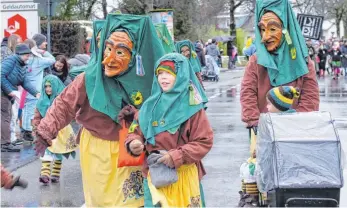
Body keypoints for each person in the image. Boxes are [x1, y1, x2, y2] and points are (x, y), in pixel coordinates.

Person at [33, 14, 165, 207]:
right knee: (101, 200)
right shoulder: (90, 78)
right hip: (97, 148)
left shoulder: (147, 81)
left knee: (132, 201)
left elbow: (163, 111)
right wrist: (45, 131)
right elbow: (64, 104)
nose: (109, 59)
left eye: (120, 52)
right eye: (108, 49)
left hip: (130, 144)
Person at [240, 0, 319, 204]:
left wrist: (297, 124)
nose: (266, 36)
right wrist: (255, 123)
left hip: (296, 132)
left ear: (285, 30)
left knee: (293, 179)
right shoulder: (256, 61)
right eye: (262, 30)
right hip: (262, 130)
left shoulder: (302, 60)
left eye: (273, 29)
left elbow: (310, 96)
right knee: (259, 178)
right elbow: (247, 93)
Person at [126, 53, 213, 207]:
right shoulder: (149, 106)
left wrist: (176, 155)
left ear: (181, 76)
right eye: (160, 73)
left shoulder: (192, 108)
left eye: (169, 73)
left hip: (183, 177)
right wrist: (134, 142)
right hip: (155, 176)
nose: (163, 77)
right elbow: (135, 130)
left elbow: (204, 141)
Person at [239, 86, 300, 207]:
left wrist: (257, 152)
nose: (266, 107)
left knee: (248, 169)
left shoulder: (272, 122)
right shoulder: (295, 119)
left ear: (279, 106)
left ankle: (252, 200)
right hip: (291, 163)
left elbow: (266, 148)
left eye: (269, 104)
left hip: (275, 164)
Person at [33, 75, 78, 184]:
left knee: (58, 152)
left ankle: (55, 174)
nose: (48, 89)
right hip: (46, 130)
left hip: (61, 130)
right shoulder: (41, 101)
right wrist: (36, 128)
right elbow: (37, 116)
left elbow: (71, 113)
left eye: (50, 86)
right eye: (46, 86)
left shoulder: (62, 101)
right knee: (47, 151)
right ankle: (45, 174)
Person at [1, 44, 40, 152]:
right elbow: (1, 75)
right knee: (5, 117)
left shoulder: (22, 64)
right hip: (2, 93)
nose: (28, 57)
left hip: (8, 94)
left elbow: (24, 81)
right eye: (27, 55)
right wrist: (10, 91)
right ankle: (4, 144)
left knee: (8, 117)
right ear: (20, 54)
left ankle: (5, 142)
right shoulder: (11, 60)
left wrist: (36, 93)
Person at [20, 39, 55, 143]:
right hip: (35, 90)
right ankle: (27, 132)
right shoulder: (37, 60)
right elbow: (52, 60)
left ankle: (26, 131)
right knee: (31, 111)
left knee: (26, 110)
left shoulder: (22, 59)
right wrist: (43, 52)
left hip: (23, 89)